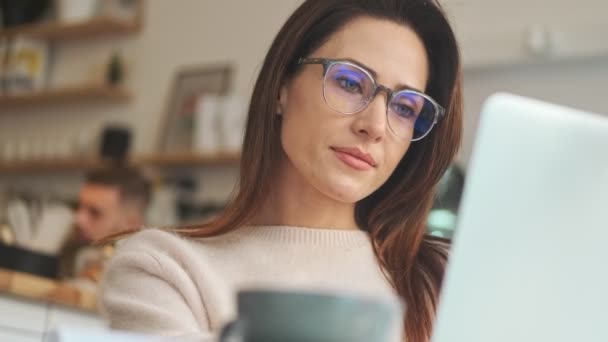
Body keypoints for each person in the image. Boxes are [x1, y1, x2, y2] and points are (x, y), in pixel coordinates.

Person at [101, 0, 462, 341]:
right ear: (280, 88)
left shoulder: (440, 283)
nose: (375, 126)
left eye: (406, 108)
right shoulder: (165, 269)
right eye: (350, 83)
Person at [58, 166, 150, 284]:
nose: (78, 219)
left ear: (131, 224)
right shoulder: (73, 249)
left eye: (95, 213)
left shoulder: (138, 276)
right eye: (78, 206)